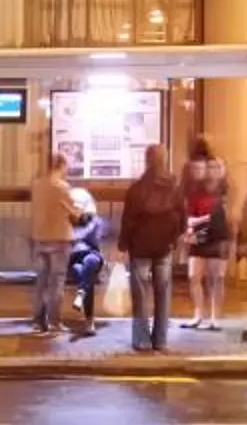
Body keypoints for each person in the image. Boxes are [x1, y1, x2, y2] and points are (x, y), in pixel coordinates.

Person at [116, 143, 190, 352]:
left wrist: (123, 244)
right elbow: (183, 216)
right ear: (164, 160)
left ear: (147, 161)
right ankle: (161, 339)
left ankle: (142, 340)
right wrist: (175, 237)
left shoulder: (136, 189)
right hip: (164, 247)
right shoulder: (175, 187)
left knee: (140, 295)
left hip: (140, 248)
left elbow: (129, 221)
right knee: (163, 294)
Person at [182, 135, 235, 329]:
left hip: (217, 237)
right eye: (209, 167)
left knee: (216, 278)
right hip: (199, 235)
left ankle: (214, 316)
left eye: (216, 168)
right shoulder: (196, 187)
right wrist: (190, 228)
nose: (211, 170)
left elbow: (228, 216)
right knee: (194, 276)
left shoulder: (225, 190)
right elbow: (189, 212)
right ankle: (199, 314)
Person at [27, 152, 76, 334]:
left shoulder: (36, 185)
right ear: (61, 166)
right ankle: (54, 322)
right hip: (59, 239)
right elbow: (74, 212)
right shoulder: (63, 187)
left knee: (41, 281)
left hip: (40, 238)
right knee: (57, 282)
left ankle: (38, 321)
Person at [64, 186, 107, 336]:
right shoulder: (65, 222)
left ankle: (81, 294)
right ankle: (89, 319)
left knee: (90, 263)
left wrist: (85, 228)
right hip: (73, 258)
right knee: (84, 273)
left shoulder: (96, 221)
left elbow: (95, 241)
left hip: (91, 255)